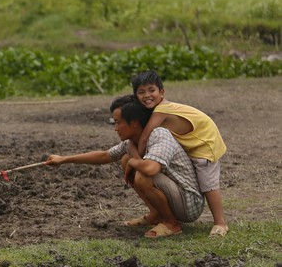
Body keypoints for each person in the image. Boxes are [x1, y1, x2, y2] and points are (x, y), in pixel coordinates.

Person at [46, 95, 204, 238]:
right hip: (174, 195)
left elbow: (150, 169)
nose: (115, 128)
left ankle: (172, 224)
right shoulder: (131, 143)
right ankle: (156, 215)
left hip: (188, 203)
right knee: (125, 159)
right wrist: (63, 159)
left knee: (142, 174)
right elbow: (105, 155)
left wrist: (133, 162)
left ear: (134, 124)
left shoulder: (159, 135)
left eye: (118, 122)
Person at [131, 70, 228, 238]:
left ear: (162, 92)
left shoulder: (162, 109)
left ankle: (220, 223)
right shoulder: (158, 108)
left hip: (204, 145)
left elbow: (146, 135)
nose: (147, 95)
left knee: (208, 185)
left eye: (151, 90)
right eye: (141, 92)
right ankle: (156, 214)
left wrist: (137, 158)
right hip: (191, 143)